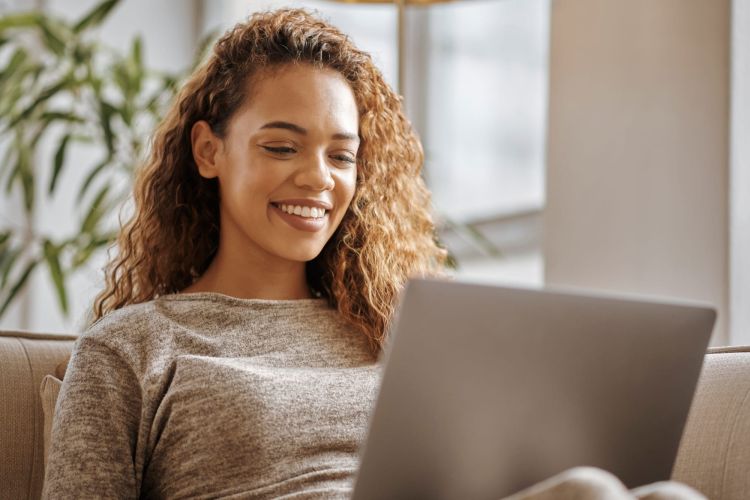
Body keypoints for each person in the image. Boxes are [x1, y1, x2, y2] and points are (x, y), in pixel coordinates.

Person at [42, 8, 705, 499]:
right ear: (209, 150)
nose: (318, 179)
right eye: (281, 146)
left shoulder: (393, 331)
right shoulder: (131, 350)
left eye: (342, 155)